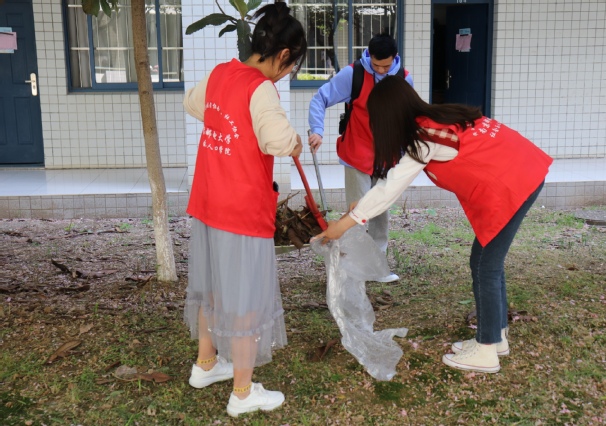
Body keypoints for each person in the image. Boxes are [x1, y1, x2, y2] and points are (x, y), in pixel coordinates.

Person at [314, 76, 552, 374]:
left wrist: (343, 225)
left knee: (486, 266)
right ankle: (495, 336)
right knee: (485, 263)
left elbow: (389, 189)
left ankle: (487, 350)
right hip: (522, 172)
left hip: (515, 184)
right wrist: (360, 208)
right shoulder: (435, 118)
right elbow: (392, 177)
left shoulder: (425, 137)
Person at [182, 3, 306, 417]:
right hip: (240, 208)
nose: (288, 72)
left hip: (209, 200)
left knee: (212, 288)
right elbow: (277, 140)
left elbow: (193, 104)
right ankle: (242, 391)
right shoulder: (260, 87)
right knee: (246, 298)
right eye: (292, 65)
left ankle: (206, 365)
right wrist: (295, 142)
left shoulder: (222, 73)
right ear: (283, 54)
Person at [307, 34, 414, 283]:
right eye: (376, 65)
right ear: (369, 56)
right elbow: (320, 98)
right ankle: (352, 269)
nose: (380, 70)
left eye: (386, 66)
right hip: (357, 153)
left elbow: (409, 116)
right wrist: (317, 130)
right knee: (356, 212)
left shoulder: (403, 78)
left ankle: (377, 267)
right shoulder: (353, 74)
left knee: (381, 213)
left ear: (395, 58)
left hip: (387, 156)